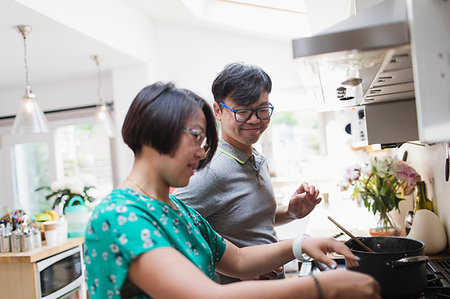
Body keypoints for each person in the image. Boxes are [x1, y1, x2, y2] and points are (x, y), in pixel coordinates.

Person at [83, 82, 380, 298]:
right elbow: (206, 296)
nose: (202, 153)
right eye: (196, 137)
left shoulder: (179, 211)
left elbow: (238, 260)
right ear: (155, 131)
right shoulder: (120, 216)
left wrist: (300, 244)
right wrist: (319, 287)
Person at [174, 62, 322, 283]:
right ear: (218, 111)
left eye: (262, 109)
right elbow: (170, 230)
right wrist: (233, 268)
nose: (255, 119)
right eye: (242, 111)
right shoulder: (211, 170)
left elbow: (247, 221)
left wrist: (289, 213)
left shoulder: (258, 159)